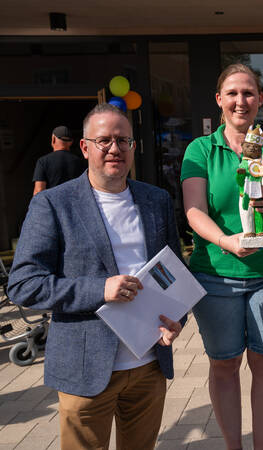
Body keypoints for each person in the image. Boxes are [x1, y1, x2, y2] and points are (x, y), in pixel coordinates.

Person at [8, 104, 184, 449]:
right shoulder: (54, 204)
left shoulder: (156, 200)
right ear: (85, 147)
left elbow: (173, 272)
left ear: (133, 147)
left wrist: (176, 316)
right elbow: (23, 283)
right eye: (104, 141)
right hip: (85, 366)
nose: (114, 149)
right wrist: (99, 289)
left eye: (123, 140)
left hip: (149, 365)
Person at [181, 63, 263, 449]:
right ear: (218, 100)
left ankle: (262, 446)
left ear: (260, 100)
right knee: (224, 364)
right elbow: (194, 210)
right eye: (232, 93)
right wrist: (225, 241)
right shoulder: (200, 149)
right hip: (216, 274)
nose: (240, 101)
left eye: (249, 93)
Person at [33, 125, 86, 195]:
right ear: (71, 142)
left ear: (53, 139)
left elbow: (39, 190)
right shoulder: (80, 162)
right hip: (72, 204)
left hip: (51, 205)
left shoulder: (43, 161)